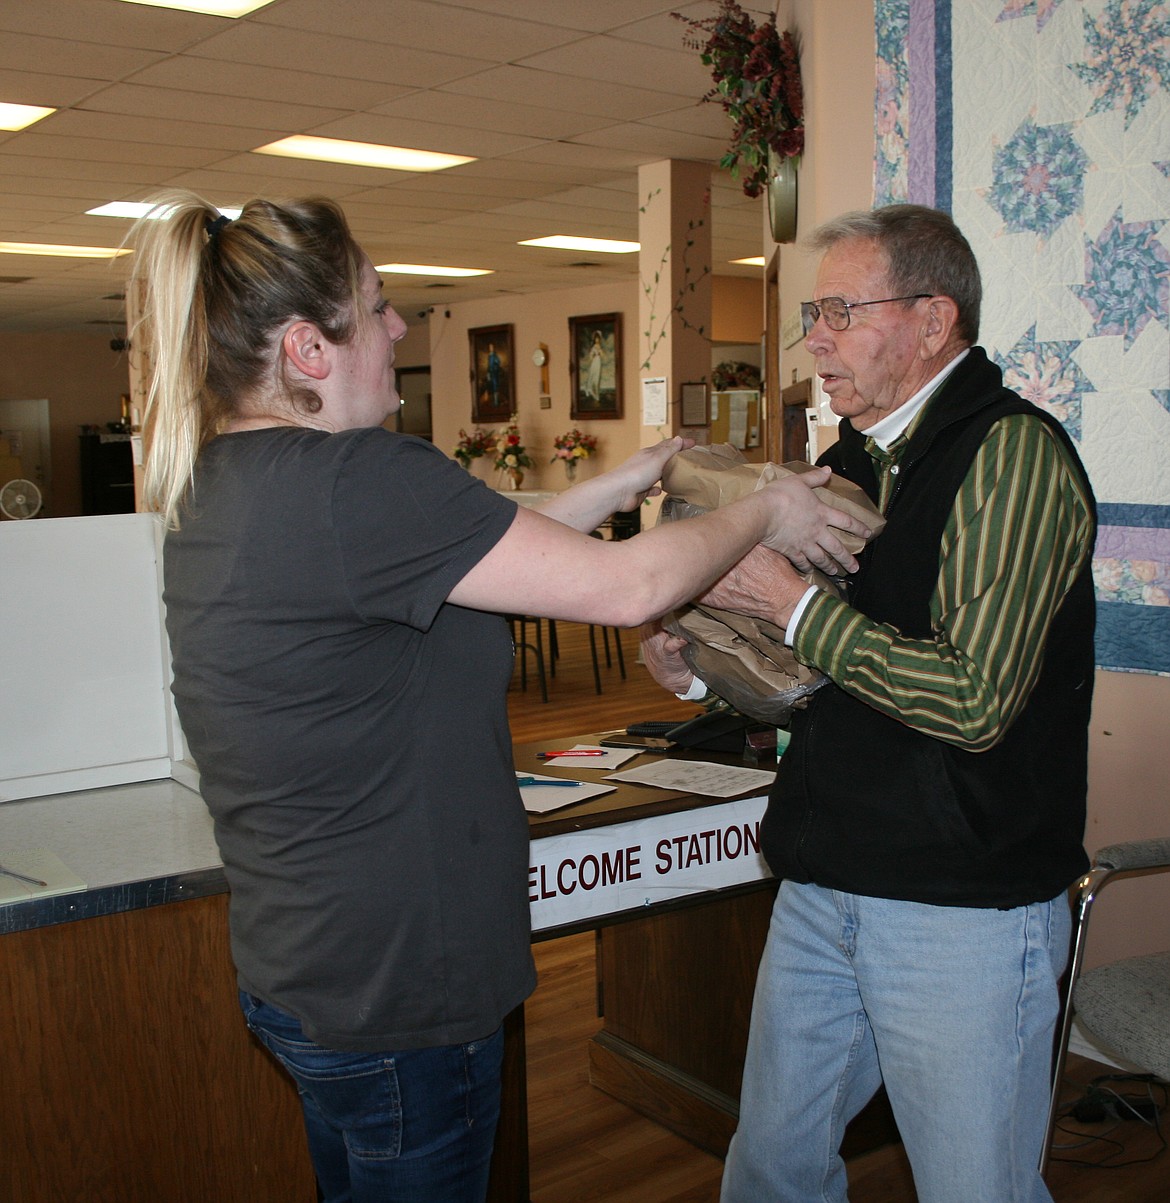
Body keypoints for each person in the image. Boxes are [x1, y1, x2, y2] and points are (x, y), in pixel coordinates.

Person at [127, 190, 871, 1203]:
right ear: (308, 349)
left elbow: (469, 563)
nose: (398, 328)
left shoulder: (229, 482)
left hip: (309, 971)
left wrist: (619, 485)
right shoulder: (361, 482)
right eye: (378, 306)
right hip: (404, 992)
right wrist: (769, 509)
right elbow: (630, 589)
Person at [642, 204, 1096, 1203]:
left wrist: (796, 607)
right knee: (770, 1170)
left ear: (932, 321)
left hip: (962, 909)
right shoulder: (843, 467)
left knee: (976, 1189)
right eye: (815, 312)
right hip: (824, 878)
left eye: (841, 311)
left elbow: (975, 701)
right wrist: (701, 665)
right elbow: (812, 685)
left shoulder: (1013, 459)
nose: (817, 339)